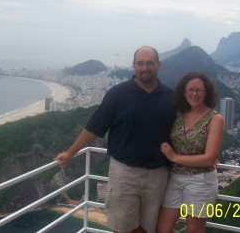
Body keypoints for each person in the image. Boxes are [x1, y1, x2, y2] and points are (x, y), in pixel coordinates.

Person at [54, 46, 176, 233]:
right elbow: (93, 127)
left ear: (158, 65)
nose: (145, 68)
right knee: (122, 227)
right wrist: (70, 152)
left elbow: (182, 131)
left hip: (157, 175)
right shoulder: (118, 94)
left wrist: (206, 154)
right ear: (133, 66)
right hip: (125, 173)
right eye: (140, 63)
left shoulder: (170, 97)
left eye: (150, 63)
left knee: (147, 228)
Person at [157, 72, 224, 233]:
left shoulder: (215, 119)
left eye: (199, 90)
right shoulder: (179, 113)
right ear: (184, 92)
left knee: (194, 229)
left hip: (200, 180)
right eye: (190, 90)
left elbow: (209, 159)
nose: (194, 94)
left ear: (206, 92)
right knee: (162, 228)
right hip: (175, 177)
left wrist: (174, 157)